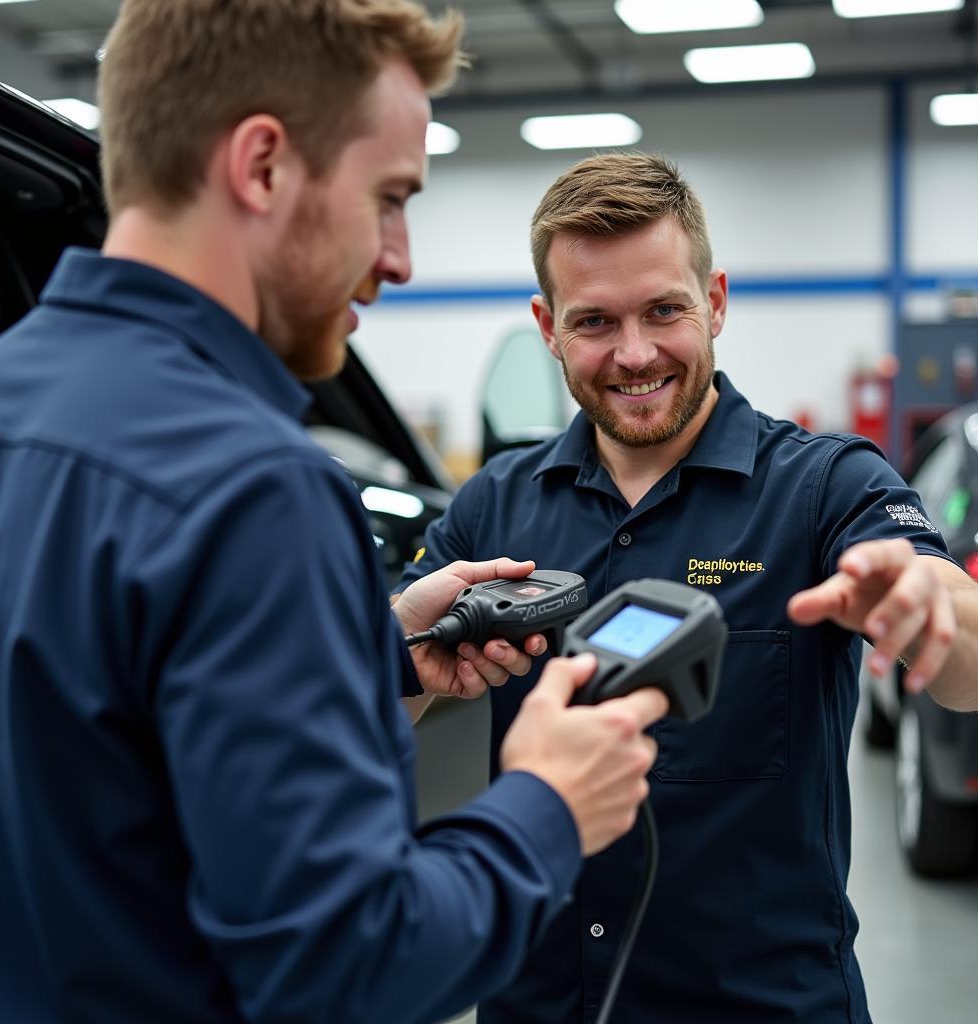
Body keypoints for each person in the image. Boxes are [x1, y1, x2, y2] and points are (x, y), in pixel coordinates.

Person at [0, 6, 669, 1023]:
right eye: (388, 198)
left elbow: (87, 746)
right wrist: (546, 804)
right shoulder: (255, 487)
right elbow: (353, 965)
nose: (401, 257)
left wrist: (370, 651)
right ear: (261, 167)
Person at [398, 151, 978, 1023]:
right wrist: (400, 658)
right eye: (594, 321)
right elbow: (368, 705)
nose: (635, 355)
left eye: (664, 309)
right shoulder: (492, 506)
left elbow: (965, 656)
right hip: (540, 1004)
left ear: (714, 302)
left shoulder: (826, 487)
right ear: (547, 326)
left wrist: (936, 609)